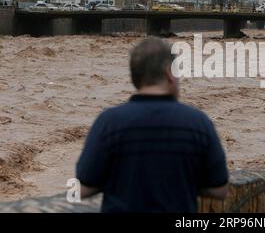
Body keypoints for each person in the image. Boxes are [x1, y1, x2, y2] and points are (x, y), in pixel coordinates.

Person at [76, 37, 229, 213]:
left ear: (136, 77)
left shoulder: (109, 122)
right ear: (169, 74)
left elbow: (83, 188)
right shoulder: (198, 122)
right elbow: (220, 189)